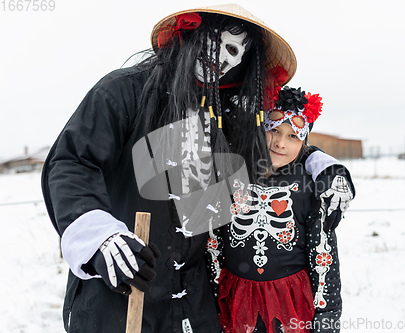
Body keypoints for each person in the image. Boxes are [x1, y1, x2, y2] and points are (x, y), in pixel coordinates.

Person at [41, 4, 301, 332]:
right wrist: (101, 237)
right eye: (225, 45)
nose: (227, 61)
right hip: (119, 296)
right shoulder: (123, 92)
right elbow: (72, 162)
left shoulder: (214, 117)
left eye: (237, 56)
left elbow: (275, 148)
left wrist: (322, 164)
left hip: (191, 302)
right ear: (193, 32)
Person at [205, 86, 356, 332]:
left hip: (292, 303)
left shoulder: (311, 183)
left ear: (304, 142)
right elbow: (214, 245)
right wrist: (208, 305)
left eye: (292, 136)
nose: (280, 142)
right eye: (273, 130)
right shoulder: (234, 171)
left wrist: (327, 318)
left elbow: (323, 258)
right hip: (236, 300)